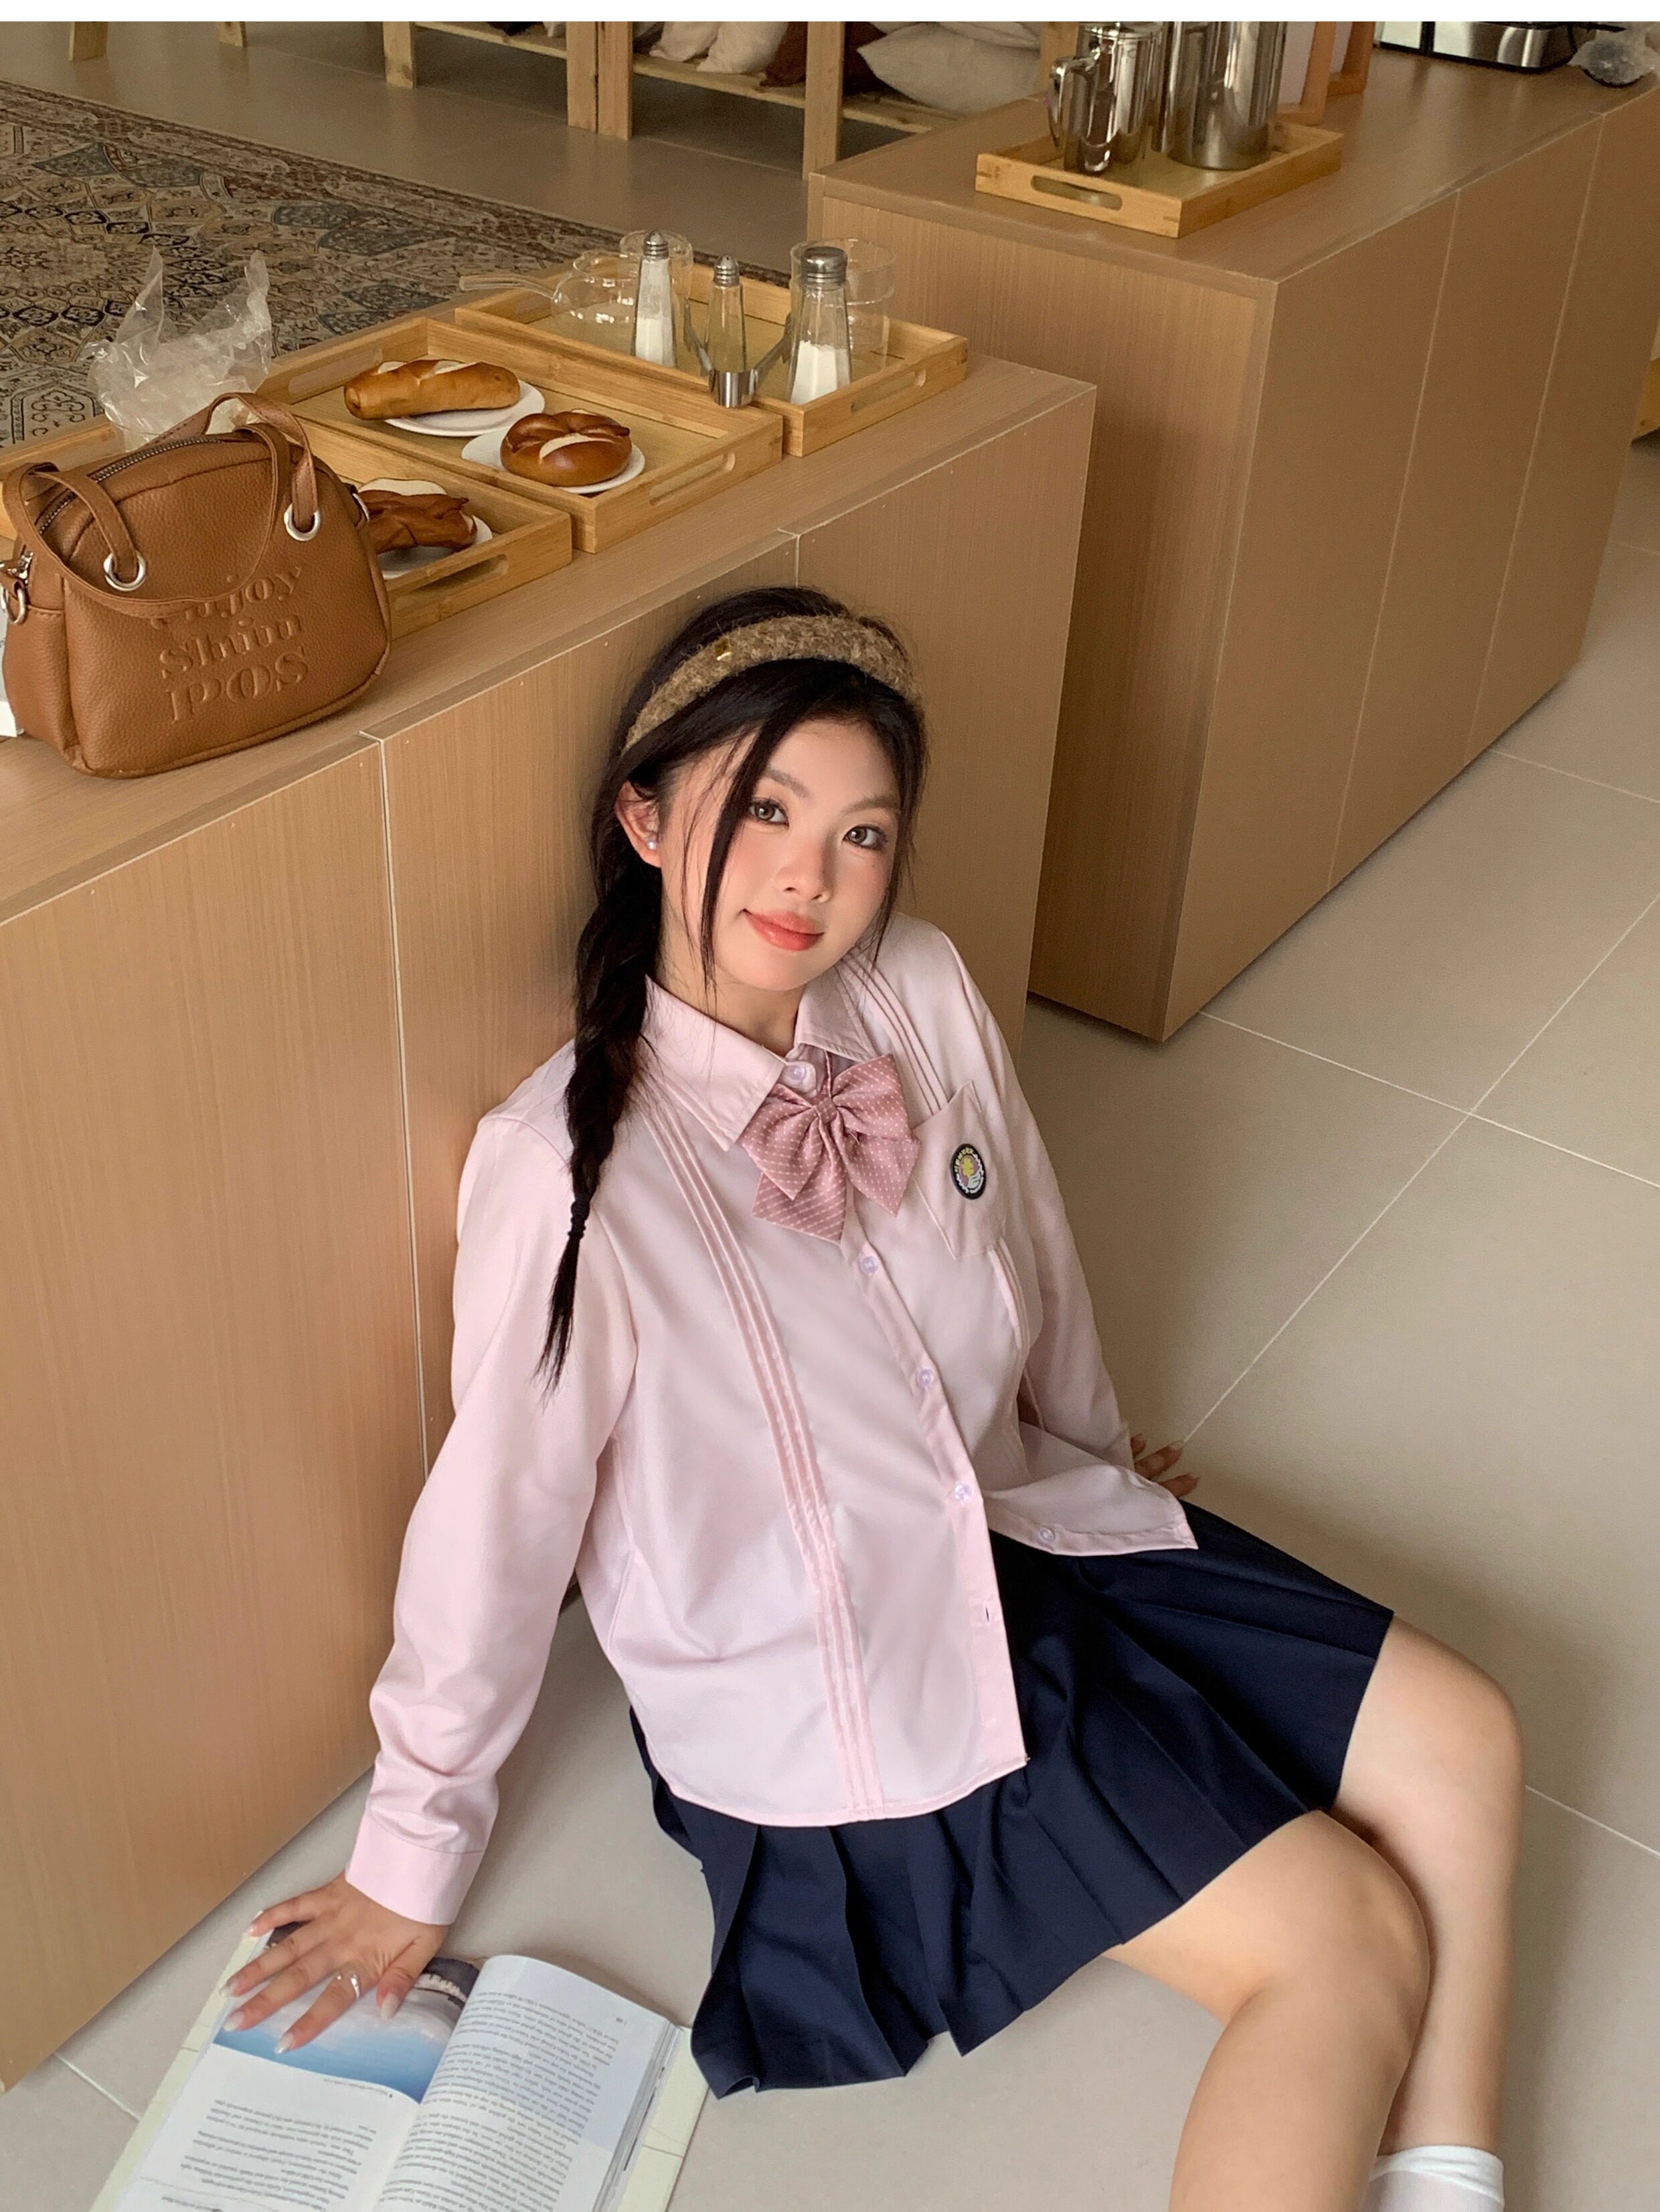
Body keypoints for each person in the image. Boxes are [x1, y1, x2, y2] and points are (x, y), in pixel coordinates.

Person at [222, 587, 1522, 2212]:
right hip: (840, 1684)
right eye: (762, 810)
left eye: (860, 833)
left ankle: (1448, 2185)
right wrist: (411, 1857)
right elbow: (495, 1525)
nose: (808, 877)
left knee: (1466, 1735)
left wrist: (1091, 1449)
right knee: (1346, 1942)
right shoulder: (566, 1174)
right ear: (644, 818)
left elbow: (1024, 1231)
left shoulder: (917, 983)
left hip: (1005, 1520)